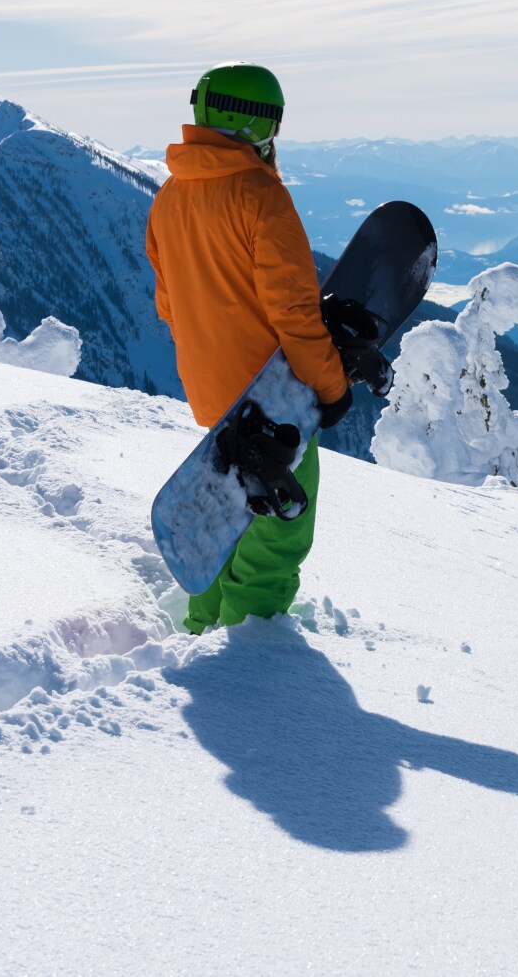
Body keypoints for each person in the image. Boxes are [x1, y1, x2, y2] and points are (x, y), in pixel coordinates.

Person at [145, 62, 354, 633]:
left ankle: (199, 629)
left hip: (213, 394)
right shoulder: (261, 196)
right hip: (273, 400)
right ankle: (245, 653)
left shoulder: (169, 197)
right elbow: (295, 313)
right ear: (253, 120)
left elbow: (169, 305)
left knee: (226, 515)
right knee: (278, 530)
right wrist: (331, 388)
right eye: (273, 124)